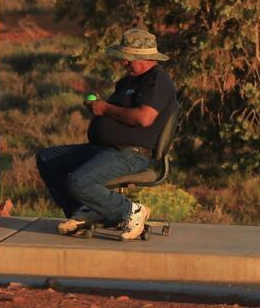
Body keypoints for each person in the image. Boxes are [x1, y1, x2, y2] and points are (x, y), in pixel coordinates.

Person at [35, 28, 177, 240]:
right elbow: (117, 112)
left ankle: (131, 211)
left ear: (145, 57)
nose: (124, 63)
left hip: (130, 154)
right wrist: (97, 107)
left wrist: (105, 109)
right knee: (47, 159)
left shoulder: (157, 81)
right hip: (102, 149)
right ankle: (85, 211)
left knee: (78, 181)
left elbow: (144, 117)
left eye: (128, 58)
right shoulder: (128, 81)